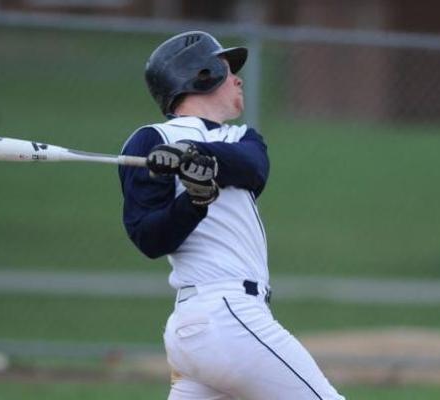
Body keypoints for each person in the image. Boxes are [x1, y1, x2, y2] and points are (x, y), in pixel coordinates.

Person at [119, 31, 344, 400]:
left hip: (207, 332)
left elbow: (253, 168)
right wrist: (193, 200)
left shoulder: (241, 138)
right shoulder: (149, 141)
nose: (238, 78)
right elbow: (150, 238)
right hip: (223, 313)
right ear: (201, 74)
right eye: (226, 69)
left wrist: (191, 154)